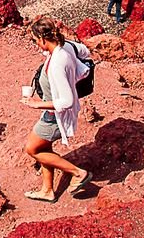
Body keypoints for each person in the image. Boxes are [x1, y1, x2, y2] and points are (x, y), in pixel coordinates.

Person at [22, 17, 93, 203]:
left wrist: (36, 104)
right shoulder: (65, 47)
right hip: (52, 113)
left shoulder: (57, 64)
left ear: (43, 38)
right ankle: (47, 190)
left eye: (36, 40)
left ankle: (78, 173)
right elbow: (85, 51)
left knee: (33, 149)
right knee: (44, 147)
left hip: (54, 116)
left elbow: (67, 100)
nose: (37, 45)